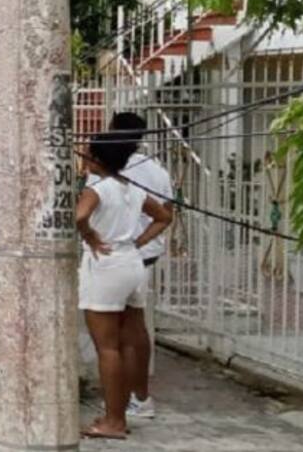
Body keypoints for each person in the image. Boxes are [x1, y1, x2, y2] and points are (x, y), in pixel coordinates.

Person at [77, 131, 174, 440]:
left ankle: (113, 421)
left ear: (98, 159)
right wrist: (138, 240)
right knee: (130, 338)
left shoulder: (98, 189)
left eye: (87, 153)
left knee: (107, 347)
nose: (83, 156)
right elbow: (163, 217)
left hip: (106, 266)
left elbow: (79, 217)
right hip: (131, 262)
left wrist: (90, 236)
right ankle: (131, 404)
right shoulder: (131, 188)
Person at [107, 111, 174, 420]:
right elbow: (166, 214)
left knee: (116, 334)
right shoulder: (157, 171)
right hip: (144, 256)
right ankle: (140, 397)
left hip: (117, 255)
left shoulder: (110, 166)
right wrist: (141, 242)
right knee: (136, 327)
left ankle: (120, 405)